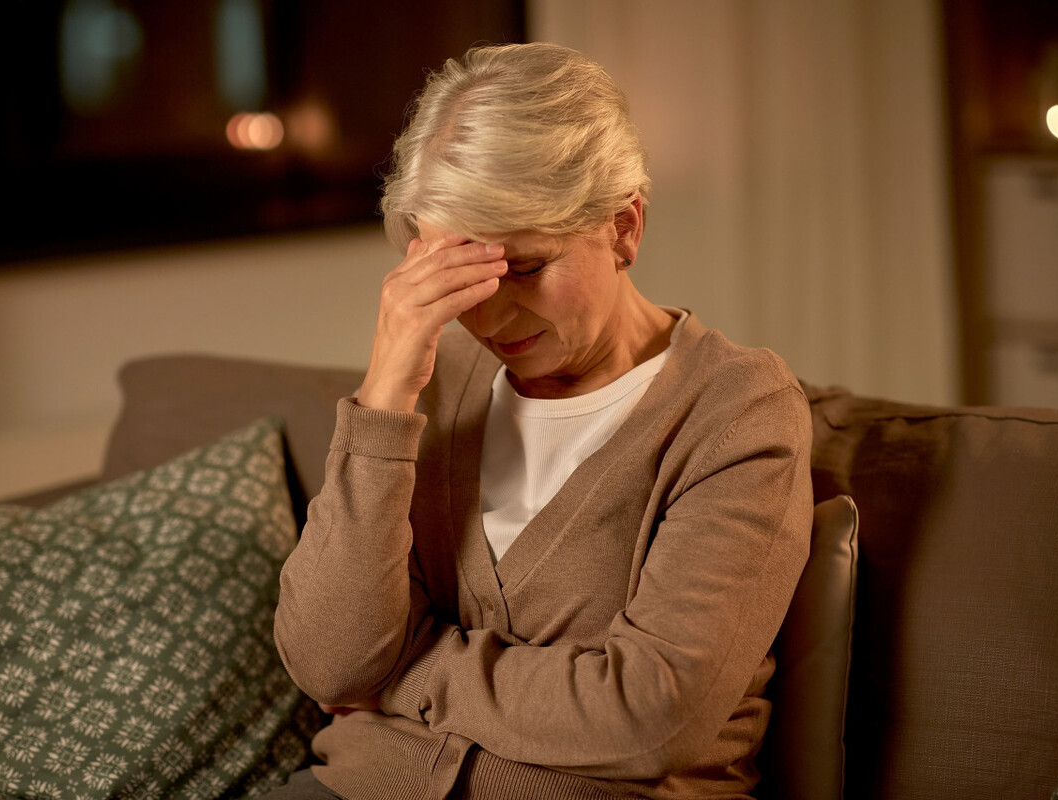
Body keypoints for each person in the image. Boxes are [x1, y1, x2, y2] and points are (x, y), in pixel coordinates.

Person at [270, 42, 813, 799]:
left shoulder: (736, 412)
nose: (488, 315)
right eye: (461, 276)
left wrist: (406, 667)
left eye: (523, 268)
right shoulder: (431, 379)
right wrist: (385, 398)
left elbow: (653, 714)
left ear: (624, 227)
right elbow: (329, 662)